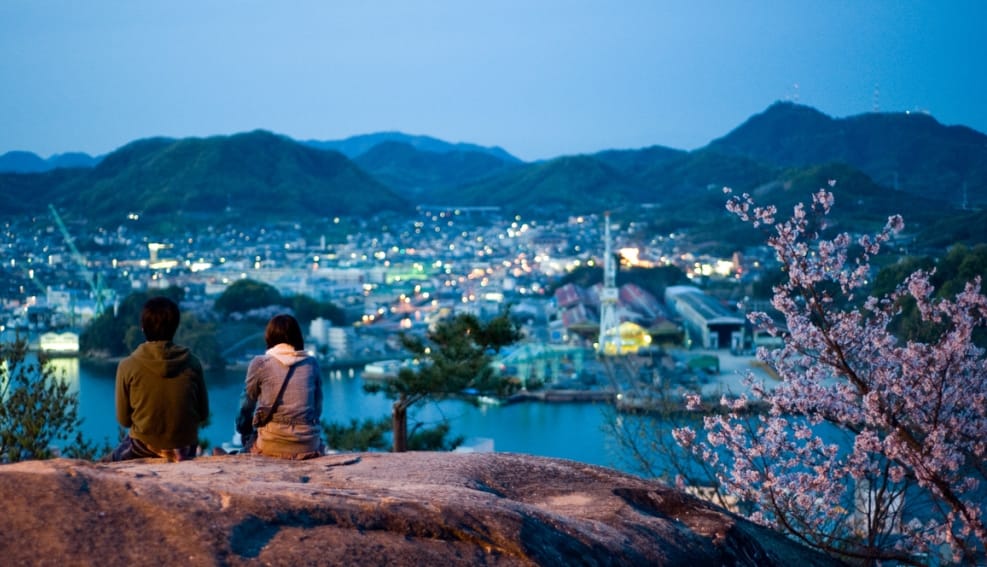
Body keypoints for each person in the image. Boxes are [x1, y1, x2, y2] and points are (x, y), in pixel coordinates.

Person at [108, 296, 209, 462]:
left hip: (143, 446)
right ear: (175, 327)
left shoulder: (127, 366)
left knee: (104, 465)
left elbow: (124, 420)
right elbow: (203, 413)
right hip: (186, 447)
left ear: (142, 328)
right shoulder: (192, 363)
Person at [235, 314, 324, 459]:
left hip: (272, 441)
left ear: (269, 337)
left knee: (246, 448)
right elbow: (318, 408)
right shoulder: (311, 363)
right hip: (308, 444)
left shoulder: (260, 364)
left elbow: (246, 405)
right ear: (297, 337)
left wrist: (244, 430)